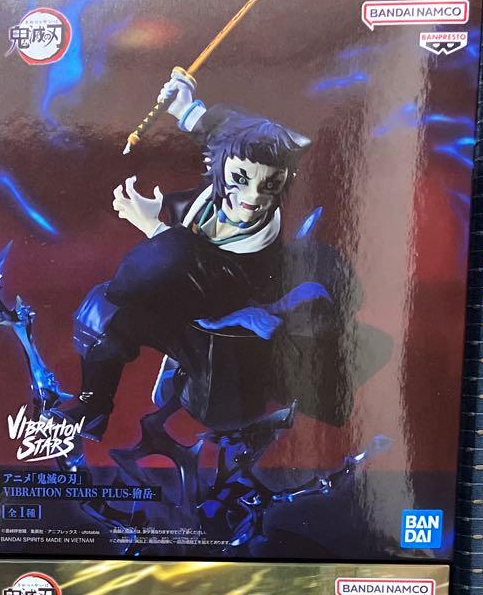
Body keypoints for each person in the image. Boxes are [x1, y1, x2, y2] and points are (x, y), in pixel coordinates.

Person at [62, 70, 359, 437]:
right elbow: (223, 138)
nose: (253, 198)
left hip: (219, 335)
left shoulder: (260, 247)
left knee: (218, 413)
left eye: (270, 185)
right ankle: (92, 408)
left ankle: (192, 379)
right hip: (182, 310)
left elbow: (188, 269)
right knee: (102, 310)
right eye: (240, 180)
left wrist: (152, 227)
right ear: (219, 170)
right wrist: (186, 107)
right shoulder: (212, 189)